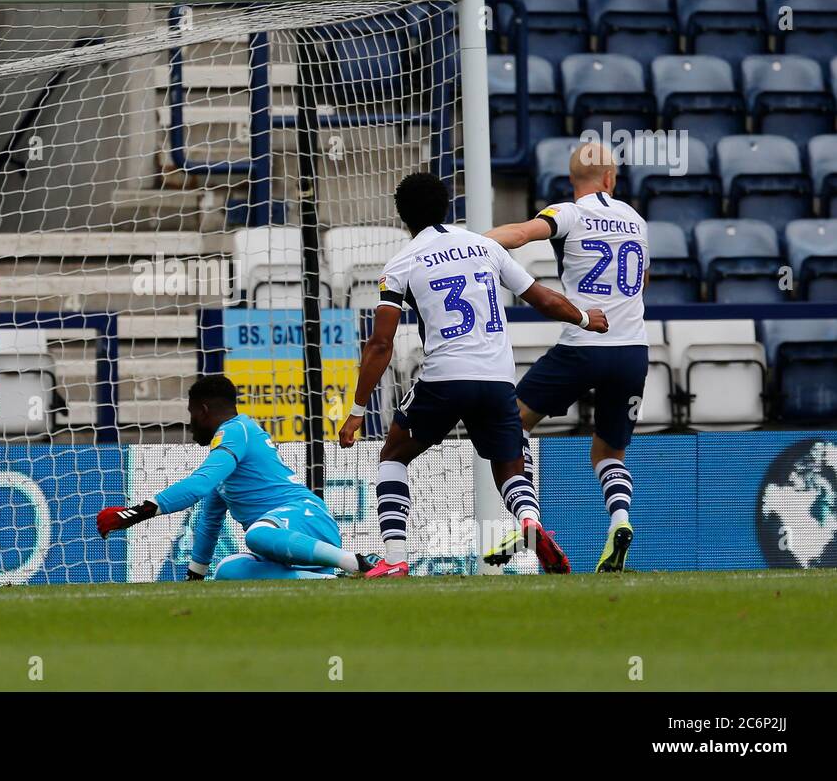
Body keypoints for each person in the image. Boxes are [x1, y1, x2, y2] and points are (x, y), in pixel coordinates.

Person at [338, 172, 609, 577]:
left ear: (402, 217)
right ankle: (529, 521)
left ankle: (395, 559)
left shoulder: (401, 263)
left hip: (445, 379)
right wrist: (586, 317)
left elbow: (381, 343)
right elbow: (543, 299)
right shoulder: (484, 245)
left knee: (392, 457)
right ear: (447, 206)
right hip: (498, 379)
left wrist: (357, 410)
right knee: (509, 465)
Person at [484, 142, 648, 572]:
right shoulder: (636, 220)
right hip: (632, 350)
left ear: (571, 182)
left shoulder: (568, 213)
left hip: (582, 347)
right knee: (608, 453)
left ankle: (530, 520)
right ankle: (620, 521)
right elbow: (642, 283)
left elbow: (519, 235)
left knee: (513, 420)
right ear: (611, 179)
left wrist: (472, 243)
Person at [97, 375, 386, 581]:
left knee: (256, 534)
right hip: (288, 541)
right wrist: (195, 577)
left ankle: (357, 562)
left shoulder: (236, 430)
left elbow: (200, 483)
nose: (190, 422)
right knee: (226, 571)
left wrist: (134, 513)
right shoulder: (226, 458)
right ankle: (323, 580)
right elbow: (209, 522)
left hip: (306, 516)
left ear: (203, 410)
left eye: (191, 413)